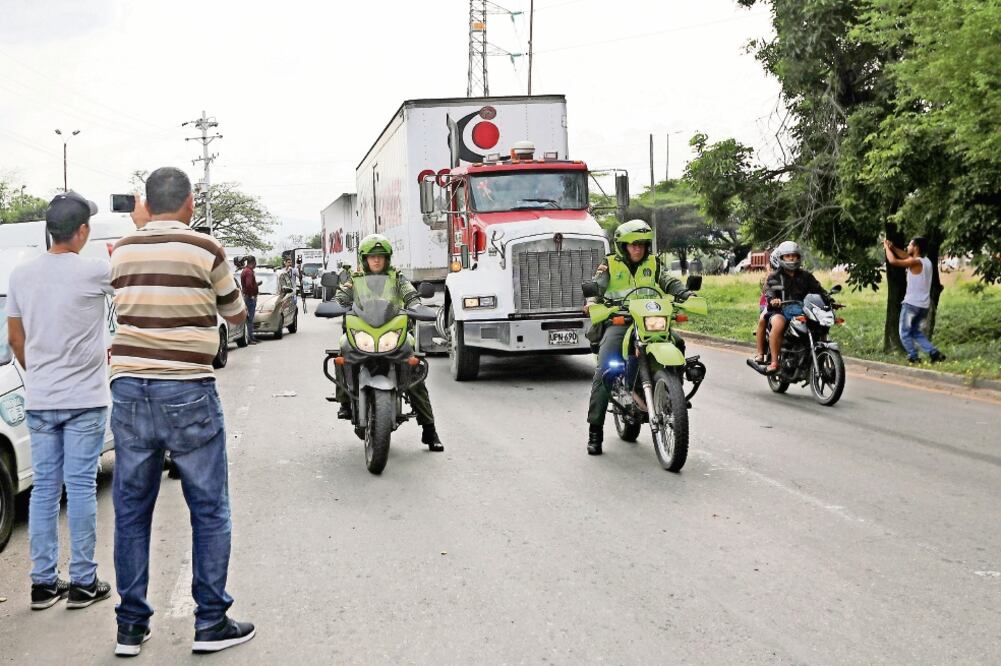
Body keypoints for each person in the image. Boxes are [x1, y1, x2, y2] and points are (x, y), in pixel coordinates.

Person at [109, 167, 254, 657]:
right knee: (209, 509)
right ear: (189, 202)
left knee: (131, 510)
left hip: (129, 389)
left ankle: (131, 627)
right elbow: (235, 314)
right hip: (187, 388)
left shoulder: (122, 250)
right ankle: (210, 622)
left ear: (146, 204)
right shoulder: (206, 249)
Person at [6, 191, 113, 611]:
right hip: (85, 399)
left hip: (40, 398)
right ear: (82, 230)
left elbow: (16, 338)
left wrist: (43, 375)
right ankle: (84, 580)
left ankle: (43, 583)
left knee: (44, 490)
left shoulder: (20, 275)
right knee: (82, 487)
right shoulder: (94, 272)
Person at [584, 220, 692, 456]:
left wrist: (684, 293)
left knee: (678, 342)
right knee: (604, 370)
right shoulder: (610, 264)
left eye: (642, 244)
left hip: (649, 319)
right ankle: (595, 431)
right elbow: (598, 285)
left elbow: (668, 281)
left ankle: (673, 397)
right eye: (633, 245)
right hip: (620, 321)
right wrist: (591, 301)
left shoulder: (653, 263)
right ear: (623, 246)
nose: (638, 249)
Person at [334, 233, 444, 452]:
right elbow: (340, 299)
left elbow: (411, 295)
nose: (376, 260)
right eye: (372, 256)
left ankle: (429, 429)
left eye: (381, 256)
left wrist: (416, 305)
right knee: (343, 347)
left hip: (393, 330)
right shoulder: (354, 280)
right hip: (363, 331)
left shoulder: (398, 278)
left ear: (387, 259)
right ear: (364, 259)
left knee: (414, 369)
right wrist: (336, 305)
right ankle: (345, 400)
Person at [753, 240, 828, 373]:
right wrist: (773, 300)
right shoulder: (774, 277)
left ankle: (821, 354)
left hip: (804, 310)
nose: (791, 258)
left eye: (794, 255)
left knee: (821, 323)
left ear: (799, 257)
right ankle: (775, 362)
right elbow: (769, 292)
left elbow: (819, 290)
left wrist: (829, 300)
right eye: (788, 256)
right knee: (777, 323)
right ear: (781, 258)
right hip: (781, 310)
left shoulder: (807, 276)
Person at [884, 236, 946, 364]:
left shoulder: (915, 262)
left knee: (904, 332)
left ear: (916, 247)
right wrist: (893, 247)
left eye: (910, 245)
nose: (908, 247)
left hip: (911, 305)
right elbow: (906, 255)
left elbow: (893, 261)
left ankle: (913, 356)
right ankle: (934, 353)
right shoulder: (926, 261)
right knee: (915, 332)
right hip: (923, 306)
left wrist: (886, 248)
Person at [240, 256, 260, 345]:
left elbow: (250, 284)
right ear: (254, 262)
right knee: (249, 319)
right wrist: (251, 295)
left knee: (249, 319)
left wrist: (256, 284)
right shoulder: (248, 272)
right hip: (249, 298)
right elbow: (248, 285)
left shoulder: (246, 270)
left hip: (248, 296)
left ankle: (251, 337)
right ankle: (250, 338)